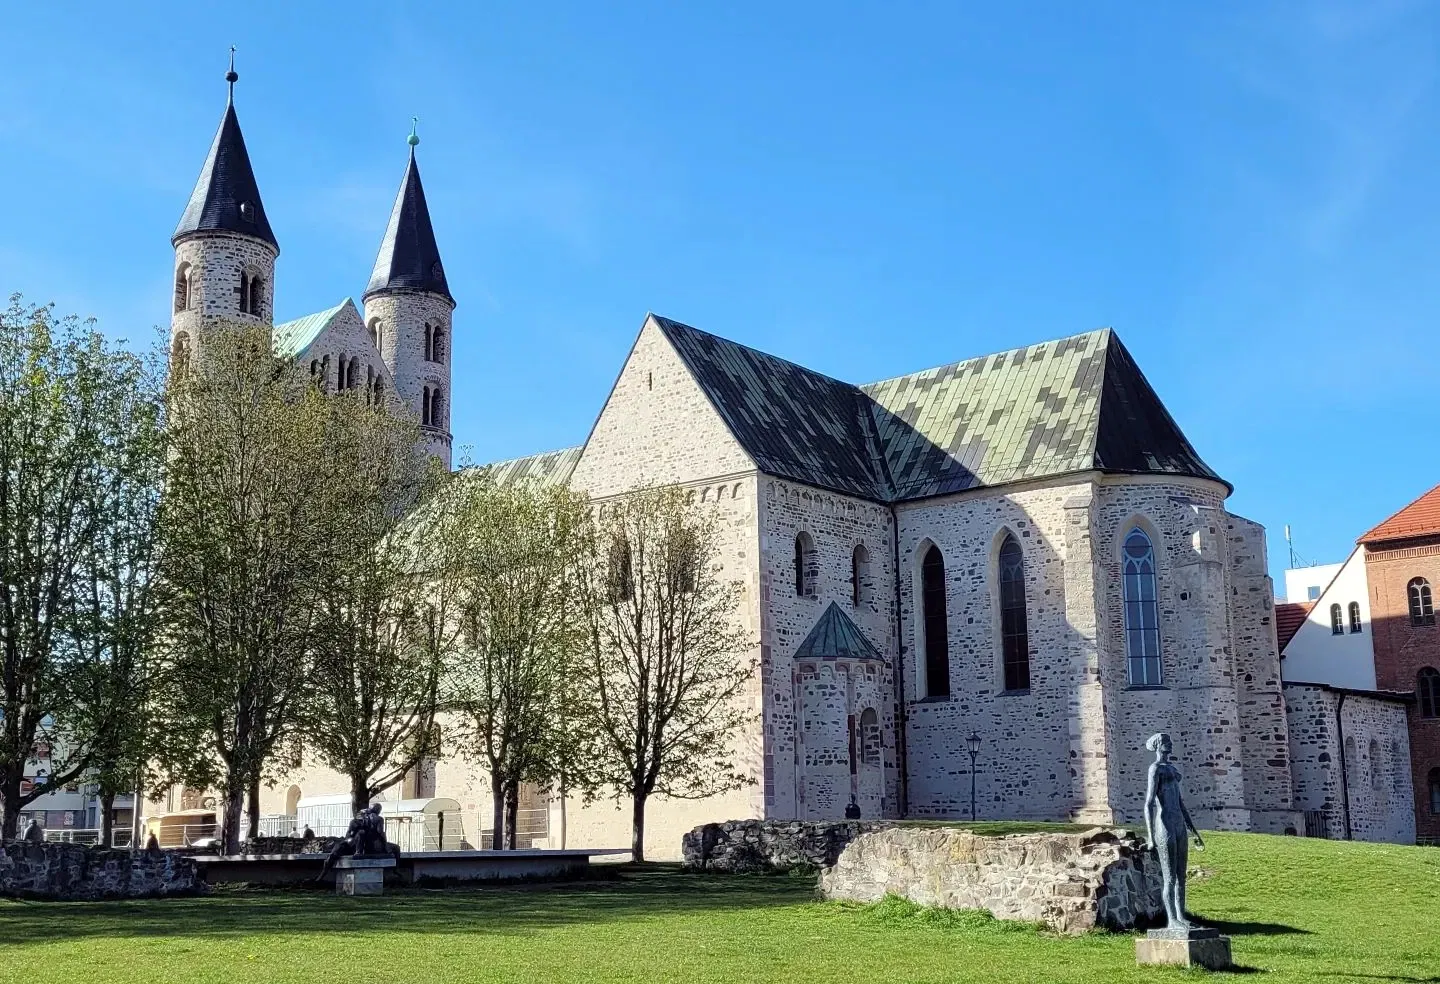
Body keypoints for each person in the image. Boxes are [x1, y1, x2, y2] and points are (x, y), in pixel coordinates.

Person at [1143, 732, 1206, 930]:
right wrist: (1151, 837)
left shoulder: (1172, 769)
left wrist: (1194, 832)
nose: (1170, 744)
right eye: (1166, 742)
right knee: (1169, 878)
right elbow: (1149, 803)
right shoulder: (1155, 769)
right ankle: (1172, 920)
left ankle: (1181, 916)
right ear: (1159, 745)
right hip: (1165, 825)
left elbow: (1181, 804)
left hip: (1178, 823)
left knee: (1181, 877)